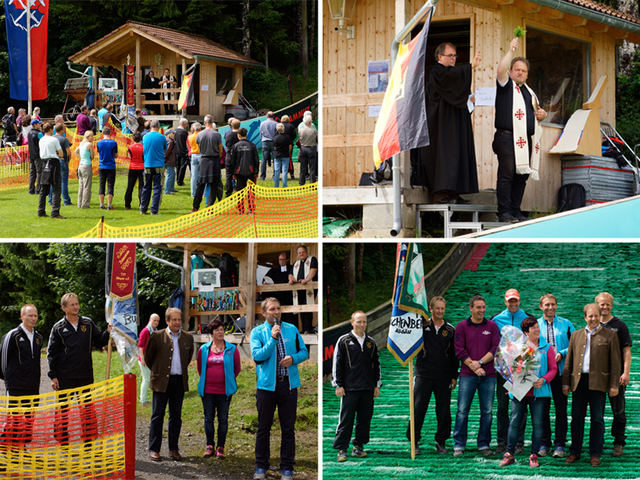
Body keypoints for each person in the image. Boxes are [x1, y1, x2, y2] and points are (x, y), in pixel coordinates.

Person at [415, 43, 481, 204]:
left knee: (456, 153)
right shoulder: (437, 72)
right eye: (450, 55)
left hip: (452, 123)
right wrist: (470, 66)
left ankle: (453, 191)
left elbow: (455, 94)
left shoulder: (449, 76)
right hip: (439, 124)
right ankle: (440, 192)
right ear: (439, 57)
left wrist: (468, 100)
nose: (453, 59)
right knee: (443, 155)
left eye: (455, 56)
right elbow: (451, 82)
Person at [250, 298, 308, 480]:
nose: (276, 312)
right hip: (267, 387)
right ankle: (261, 466)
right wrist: (273, 339)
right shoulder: (257, 332)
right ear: (264, 313)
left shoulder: (291, 329)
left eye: (278, 309)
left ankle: (287, 467)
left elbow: (304, 352)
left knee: (288, 428)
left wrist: (294, 358)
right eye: (272, 309)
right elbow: (258, 357)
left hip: (288, 385)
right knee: (263, 428)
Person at [494, 37, 547, 223]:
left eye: (523, 71)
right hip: (507, 138)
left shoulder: (529, 92)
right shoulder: (506, 86)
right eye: (516, 69)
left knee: (521, 176)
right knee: (507, 175)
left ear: (527, 74)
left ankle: (515, 211)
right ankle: (504, 212)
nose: (520, 73)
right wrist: (510, 50)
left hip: (524, 140)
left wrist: (543, 115)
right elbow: (499, 70)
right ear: (510, 71)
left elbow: (536, 114)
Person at [47, 293, 111, 445]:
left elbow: (99, 340)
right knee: (63, 409)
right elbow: (52, 353)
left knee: (86, 409)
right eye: (72, 305)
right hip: (65, 376)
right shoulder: (58, 328)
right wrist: (53, 376)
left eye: (77, 304)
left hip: (85, 375)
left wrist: (108, 332)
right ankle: (62, 439)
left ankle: (88, 438)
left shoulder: (88, 324)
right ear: (64, 308)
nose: (75, 307)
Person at [562, 303, 621, 467]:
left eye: (596, 316)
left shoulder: (610, 335)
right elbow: (569, 361)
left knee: (597, 419)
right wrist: (566, 382)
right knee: (577, 418)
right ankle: (574, 452)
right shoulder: (576, 334)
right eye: (590, 316)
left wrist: (614, 385)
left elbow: (615, 363)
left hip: (599, 383)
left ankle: (595, 453)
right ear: (585, 317)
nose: (594, 319)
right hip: (579, 383)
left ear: (599, 317)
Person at [498, 317, 557, 469]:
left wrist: (543, 380)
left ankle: (534, 455)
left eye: (537, 327)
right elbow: (509, 368)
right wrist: (511, 373)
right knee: (515, 421)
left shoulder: (547, 347)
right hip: (519, 391)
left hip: (539, 392)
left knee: (538, 424)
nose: (537, 330)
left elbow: (553, 369)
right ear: (526, 332)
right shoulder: (517, 347)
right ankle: (509, 453)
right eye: (533, 328)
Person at [405, 297, 458, 455]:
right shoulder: (421, 327)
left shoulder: (450, 330)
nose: (440, 311)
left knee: (443, 410)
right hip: (423, 375)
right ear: (431, 309)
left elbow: (454, 356)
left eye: (442, 308)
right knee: (418, 408)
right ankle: (414, 440)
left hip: (443, 376)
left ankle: (441, 441)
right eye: (437, 308)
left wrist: (454, 375)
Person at [452, 294, 500, 457]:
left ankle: (484, 444)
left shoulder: (492, 326)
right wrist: (474, 367)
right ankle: (459, 444)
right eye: (478, 307)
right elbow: (459, 350)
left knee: (487, 411)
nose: (482, 310)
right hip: (467, 375)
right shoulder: (461, 326)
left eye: (483, 307)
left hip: (488, 375)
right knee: (462, 410)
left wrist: (479, 363)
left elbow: (495, 348)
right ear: (471, 308)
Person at [145, 307, 195, 462]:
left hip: (178, 381)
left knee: (176, 416)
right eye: (174, 320)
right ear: (167, 321)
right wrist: (159, 371)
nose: (177, 322)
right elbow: (148, 358)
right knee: (157, 415)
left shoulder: (187, 337)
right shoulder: (157, 336)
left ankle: (173, 449)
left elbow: (187, 358)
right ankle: (154, 449)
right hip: (161, 381)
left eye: (179, 319)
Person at [490, 288, 536, 453]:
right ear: (505, 301)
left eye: (515, 300)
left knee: (520, 407)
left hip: (522, 370)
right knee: (502, 406)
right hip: (503, 370)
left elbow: (534, 342)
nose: (513, 303)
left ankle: (519, 442)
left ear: (519, 300)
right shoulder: (496, 319)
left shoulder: (529, 319)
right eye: (510, 301)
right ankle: (502, 442)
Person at [332, 311, 381, 462]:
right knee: (346, 419)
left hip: (367, 388)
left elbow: (376, 365)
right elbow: (337, 363)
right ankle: (342, 448)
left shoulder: (371, 342)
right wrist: (338, 384)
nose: (362, 325)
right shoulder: (343, 341)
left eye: (364, 322)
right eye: (359, 322)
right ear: (352, 322)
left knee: (364, 419)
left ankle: (358, 447)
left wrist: (377, 384)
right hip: (349, 388)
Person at [537, 293, 575, 458]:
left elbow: (576, 343)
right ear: (541, 307)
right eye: (547, 305)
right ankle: (544, 443)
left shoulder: (565, 324)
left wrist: (562, 352)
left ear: (556, 305)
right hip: (542, 375)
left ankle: (559, 444)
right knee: (542, 410)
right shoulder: (535, 324)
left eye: (553, 304)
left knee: (561, 409)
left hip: (560, 373)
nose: (550, 307)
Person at [197, 319, 241, 459]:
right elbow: (200, 369)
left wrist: (228, 379)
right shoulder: (203, 349)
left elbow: (237, 368)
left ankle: (220, 447)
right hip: (208, 390)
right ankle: (209, 446)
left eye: (222, 329)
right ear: (211, 333)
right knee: (208, 418)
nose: (220, 332)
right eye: (217, 330)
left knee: (223, 419)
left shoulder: (232, 349)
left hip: (224, 391)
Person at [0, 304, 43, 446]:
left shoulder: (38, 337)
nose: (33, 318)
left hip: (33, 385)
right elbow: (3, 359)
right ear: (22, 316)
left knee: (29, 418)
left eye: (35, 315)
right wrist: (9, 379)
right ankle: (7, 446)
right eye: (30, 315)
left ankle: (22, 446)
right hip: (15, 385)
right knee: (14, 418)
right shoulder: (12, 335)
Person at [595, 292, 632, 457]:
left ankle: (619, 442)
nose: (605, 307)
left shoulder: (620, 326)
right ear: (597, 304)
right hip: (597, 377)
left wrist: (626, 372)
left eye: (607, 304)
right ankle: (598, 441)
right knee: (597, 411)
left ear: (612, 305)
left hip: (616, 376)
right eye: (602, 304)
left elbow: (627, 351)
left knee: (619, 411)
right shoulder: (592, 324)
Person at [192, 115, 223, 213]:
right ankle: (210, 207)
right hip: (214, 160)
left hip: (204, 160)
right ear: (213, 122)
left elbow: (200, 148)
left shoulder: (200, 134)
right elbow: (221, 150)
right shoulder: (217, 134)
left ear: (204, 122)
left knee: (200, 185)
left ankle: (195, 207)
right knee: (213, 185)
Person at [38, 122, 65, 219]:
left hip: (44, 163)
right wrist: (57, 154)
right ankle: (55, 212)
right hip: (54, 163)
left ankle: (41, 211)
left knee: (43, 189)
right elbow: (61, 154)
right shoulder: (54, 140)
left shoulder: (41, 140)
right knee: (56, 188)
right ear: (50, 130)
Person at [289, 245, 318, 334]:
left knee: (308, 307)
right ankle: (304, 328)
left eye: (303, 252)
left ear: (307, 252)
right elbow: (290, 274)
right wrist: (291, 279)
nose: (301, 254)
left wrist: (307, 280)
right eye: (299, 253)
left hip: (309, 288)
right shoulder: (296, 263)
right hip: (299, 288)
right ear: (297, 255)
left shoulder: (312, 259)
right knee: (301, 308)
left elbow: (313, 270)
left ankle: (308, 328)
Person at [140, 120, 168, 215]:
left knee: (146, 187)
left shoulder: (145, 136)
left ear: (150, 126)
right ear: (159, 127)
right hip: (159, 165)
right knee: (157, 188)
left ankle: (143, 209)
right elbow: (165, 149)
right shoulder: (162, 137)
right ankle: (154, 210)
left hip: (147, 164)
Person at [263, 252, 294, 325]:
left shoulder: (292, 268)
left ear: (287, 260)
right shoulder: (274, 270)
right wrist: (265, 282)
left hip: (289, 296)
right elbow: (266, 279)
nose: (281, 261)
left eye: (283, 259)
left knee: (289, 315)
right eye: (280, 259)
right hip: (277, 296)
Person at [138, 313, 160, 406]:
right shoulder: (145, 331)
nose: (156, 322)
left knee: (149, 378)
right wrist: (143, 359)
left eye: (157, 321)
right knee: (146, 379)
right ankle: (143, 400)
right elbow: (140, 345)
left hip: (151, 359)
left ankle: (146, 398)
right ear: (150, 320)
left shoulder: (155, 330)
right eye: (154, 320)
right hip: (145, 359)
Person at [229, 127, 259, 192]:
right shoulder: (252, 145)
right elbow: (256, 159)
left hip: (239, 172)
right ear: (246, 135)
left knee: (240, 191)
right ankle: (251, 202)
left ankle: (240, 202)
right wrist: (256, 171)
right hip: (250, 171)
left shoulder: (235, 146)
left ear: (239, 135)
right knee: (251, 191)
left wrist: (233, 172)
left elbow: (232, 160)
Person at [96, 125, 118, 210]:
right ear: (110, 133)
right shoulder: (113, 143)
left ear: (102, 133)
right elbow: (116, 155)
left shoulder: (99, 143)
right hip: (111, 166)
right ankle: (109, 205)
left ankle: (101, 204)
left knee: (102, 185)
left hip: (102, 165)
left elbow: (99, 153)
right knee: (110, 185)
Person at [53, 123, 73, 206]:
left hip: (54, 161)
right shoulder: (64, 139)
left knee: (53, 181)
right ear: (61, 130)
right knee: (64, 182)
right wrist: (68, 160)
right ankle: (66, 200)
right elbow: (68, 152)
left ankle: (51, 200)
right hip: (63, 160)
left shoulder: (52, 138)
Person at [124, 131, 145, 210]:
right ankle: (141, 204)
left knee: (130, 187)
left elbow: (129, 156)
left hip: (132, 167)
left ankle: (127, 204)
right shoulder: (143, 147)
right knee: (141, 187)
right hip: (141, 167)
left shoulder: (130, 147)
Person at [74, 130, 95, 209]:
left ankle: (79, 204)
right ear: (87, 137)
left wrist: (81, 157)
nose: (93, 137)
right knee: (87, 186)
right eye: (91, 136)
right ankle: (85, 204)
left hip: (80, 165)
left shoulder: (81, 143)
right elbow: (92, 156)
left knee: (81, 186)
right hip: (87, 165)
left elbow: (76, 151)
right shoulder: (89, 145)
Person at [298, 116, 318, 185]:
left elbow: (300, 140)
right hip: (312, 148)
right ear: (310, 122)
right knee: (312, 167)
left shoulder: (300, 130)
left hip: (303, 148)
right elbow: (317, 140)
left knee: (303, 167)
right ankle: (312, 183)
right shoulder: (314, 131)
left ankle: (301, 182)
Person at [224, 119, 241, 197]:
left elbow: (227, 146)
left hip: (229, 156)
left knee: (228, 176)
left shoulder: (228, 135)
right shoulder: (241, 135)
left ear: (231, 126)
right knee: (240, 176)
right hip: (239, 157)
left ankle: (228, 193)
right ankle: (240, 191)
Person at [273, 123, 292, 188]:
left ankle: (276, 186)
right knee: (284, 171)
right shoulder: (287, 137)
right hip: (285, 155)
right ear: (283, 129)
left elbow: (274, 147)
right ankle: (284, 185)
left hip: (277, 155)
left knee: (277, 171)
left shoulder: (275, 138)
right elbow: (290, 147)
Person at [259, 112, 277, 180]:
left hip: (265, 142)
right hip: (273, 142)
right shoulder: (276, 123)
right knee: (275, 160)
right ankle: (275, 175)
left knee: (264, 160)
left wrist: (263, 139)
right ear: (273, 116)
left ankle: (262, 176)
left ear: (267, 116)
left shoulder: (262, 123)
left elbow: (261, 133)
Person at [27, 118, 43, 195]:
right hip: (38, 155)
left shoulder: (29, 133)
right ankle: (38, 189)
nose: (40, 125)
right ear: (35, 125)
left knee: (32, 173)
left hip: (31, 155)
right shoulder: (39, 133)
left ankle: (31, 190)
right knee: (39, 172)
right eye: (39, 124)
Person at [280, 115, 297, 179]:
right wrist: (290, 139)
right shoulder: (291, 126)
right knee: (290, 158)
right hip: (289, 144)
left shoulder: (279, 125)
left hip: (281, 144)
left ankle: (278, 174)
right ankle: (292, 174)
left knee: (279, 159)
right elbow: (294, 135)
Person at [174, 118, 190, 187]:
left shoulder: (175, 131)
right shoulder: (184, 132)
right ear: (185, 124)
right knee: (182, 167)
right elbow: (187, 142)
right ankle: (180, 181)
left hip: (176, 151)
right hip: (183, 151)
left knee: (178, 167)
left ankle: (178, 179)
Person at [189, 122, 202, 197]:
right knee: (202, 175)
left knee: (193, 176)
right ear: (200, 128)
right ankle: (203, 193)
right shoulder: (202, 135)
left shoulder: (190, 136)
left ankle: (193, 193)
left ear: (193, 129)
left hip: (193, 154)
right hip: (200, 154)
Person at [164, 129, 178, 195]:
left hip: (168, 160)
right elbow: (168, 151)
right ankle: (167, 191)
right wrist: (165, 158)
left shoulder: (167, 140)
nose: (174, 134)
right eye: (173, 133)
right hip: (169, 160)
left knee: (173, 174)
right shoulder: (170, 141)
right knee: (170, 175)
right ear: (170, 134)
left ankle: (171, 188)